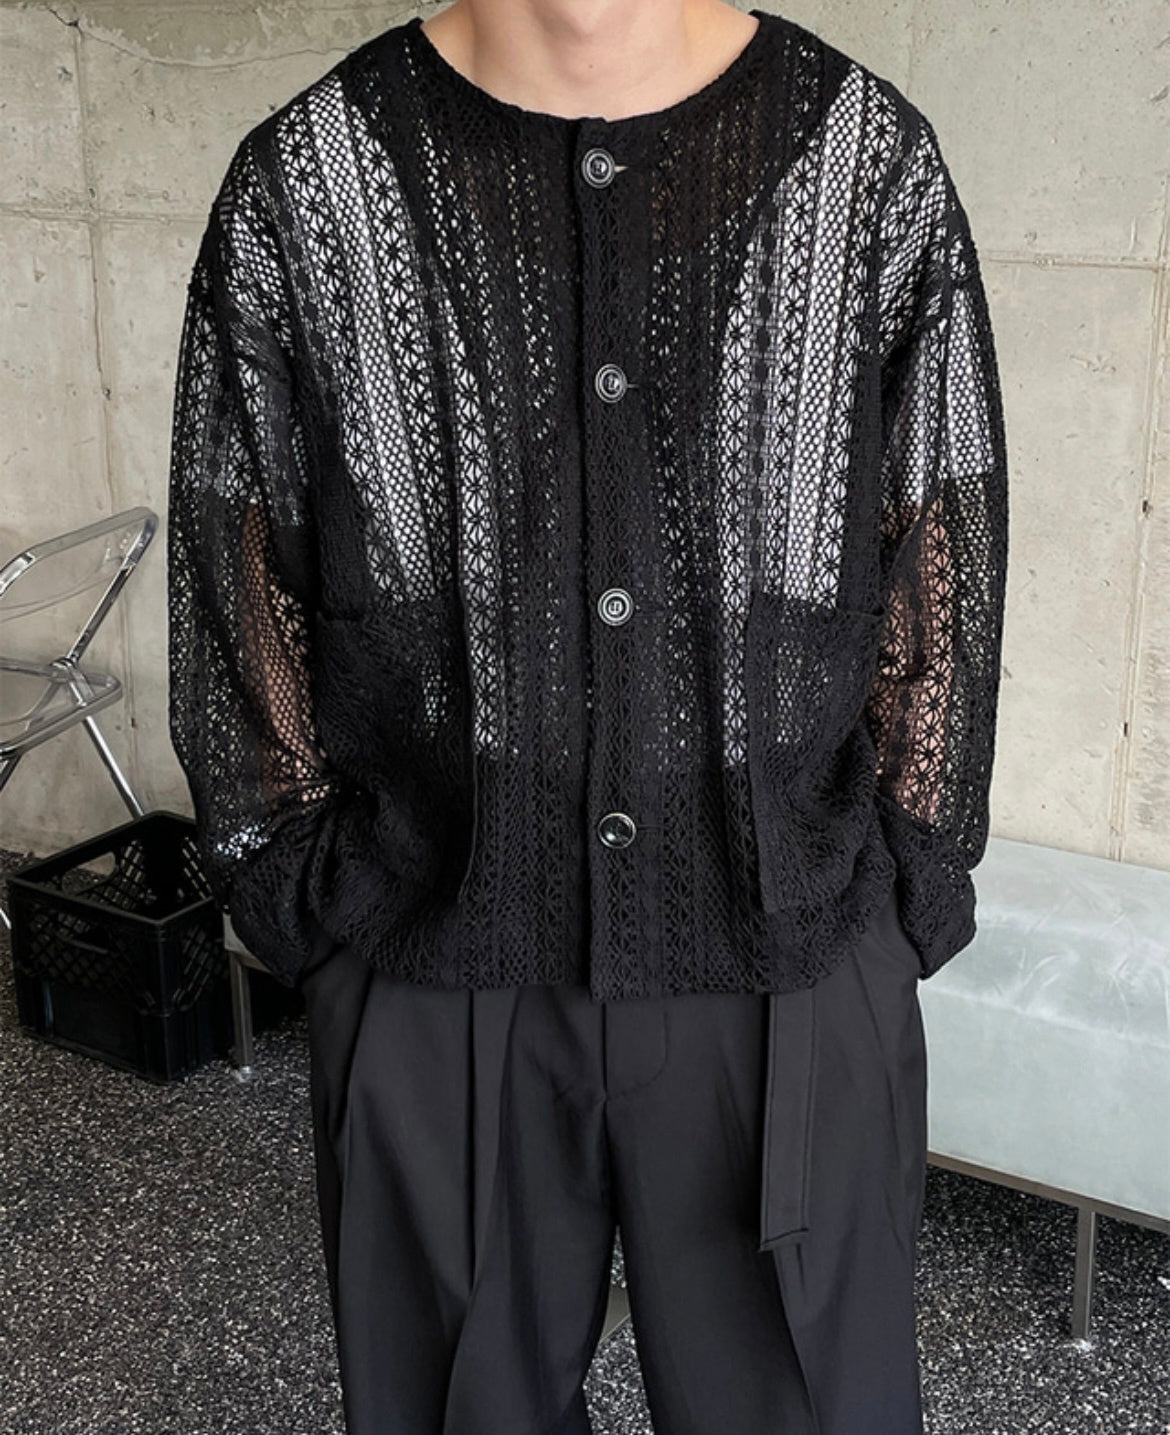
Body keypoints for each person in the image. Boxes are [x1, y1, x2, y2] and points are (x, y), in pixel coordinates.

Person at [165, 1, 1010, 1431]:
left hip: (787, 952)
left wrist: (901, 895)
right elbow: (234, 550)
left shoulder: (862, 163)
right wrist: (304, 900)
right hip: (431, 937)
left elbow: (941, 537)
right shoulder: (309, 181)